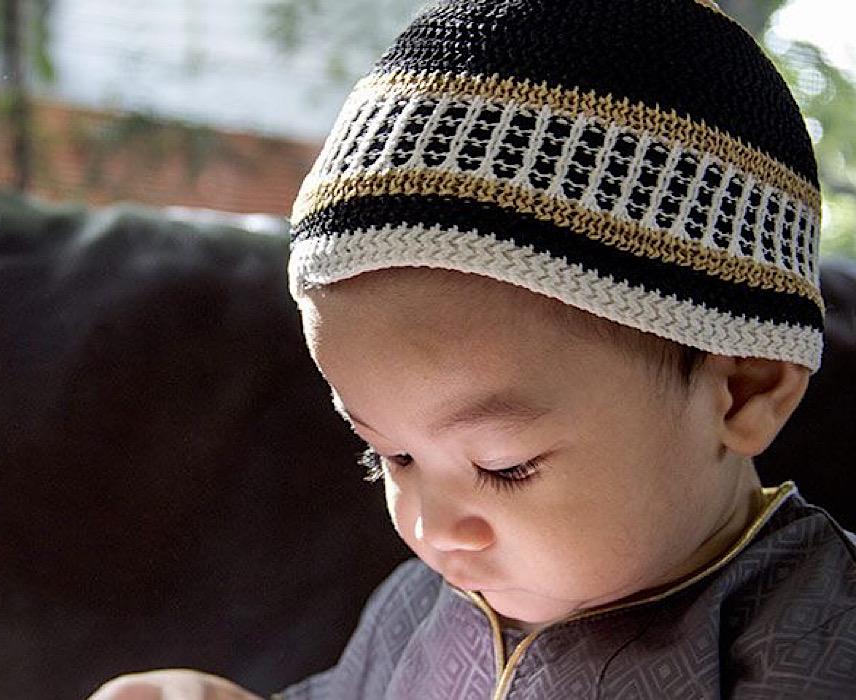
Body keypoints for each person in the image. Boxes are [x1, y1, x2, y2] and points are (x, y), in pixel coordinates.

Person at [89, 0, 856, 697]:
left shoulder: (815, 631)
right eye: (391, 457)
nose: (430, 529)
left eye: (503, 466)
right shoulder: (425, 605)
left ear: (745, 390)